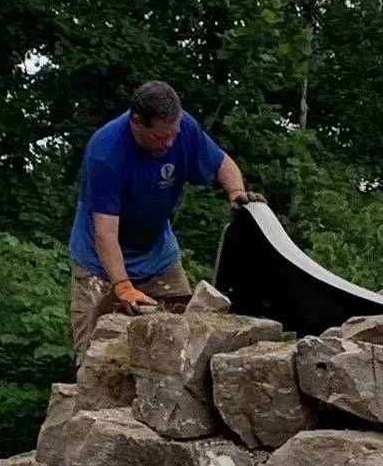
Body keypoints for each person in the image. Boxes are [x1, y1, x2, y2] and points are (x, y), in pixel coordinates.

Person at [68, 80, 259, 365]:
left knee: (188, 339)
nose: (169, 144)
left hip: (158, 258)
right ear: (136, 123)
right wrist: (122, 286)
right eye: (160, 138)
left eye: (173, 135)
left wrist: (236, 193)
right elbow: (106, 233)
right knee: (94, 357)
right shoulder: (105, 153)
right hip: (99, 263)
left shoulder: (183, 130)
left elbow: (222, 164)